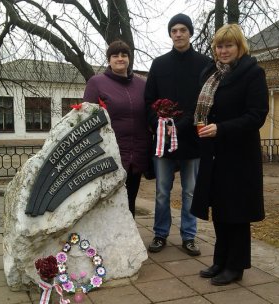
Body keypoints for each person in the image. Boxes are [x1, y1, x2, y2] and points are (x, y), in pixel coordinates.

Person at [191, 24, 269, 285]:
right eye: (220, 46)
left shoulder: (252, 73)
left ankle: (235, 266)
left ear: (239, 47)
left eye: (229, 46)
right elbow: (204, 110)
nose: (223, 51)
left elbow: (256, 115)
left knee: (237, 211)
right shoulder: (211, 73)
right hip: (214, 153)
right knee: (221, 209)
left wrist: (222, 129)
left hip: (239, 155)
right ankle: (220, 260)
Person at [145, 13, 211, 256]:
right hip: (163, 141)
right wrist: (157, 122)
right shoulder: (159, 64)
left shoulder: (204, 63)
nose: (179, 34)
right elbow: (149, 100)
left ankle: (189, 236)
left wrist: (180, 125)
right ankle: (160, 233)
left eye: (183, 29)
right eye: (174, 30)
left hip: (191, 140)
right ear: (170, 34)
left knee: (190, 191)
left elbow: (204, 102)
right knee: (162, 190)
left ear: (190, 33)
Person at [83, 40, 151, 217]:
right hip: (109, 153)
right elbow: (87, 118)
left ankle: (130, 240)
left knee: (130, 200)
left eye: (124, 55)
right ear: (109, 60)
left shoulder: (141, 85)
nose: (120, 59)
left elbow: (149, 115)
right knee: (108, 201)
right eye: (115, 55)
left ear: (129, 58)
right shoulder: (96, 83)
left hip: (136, 153)